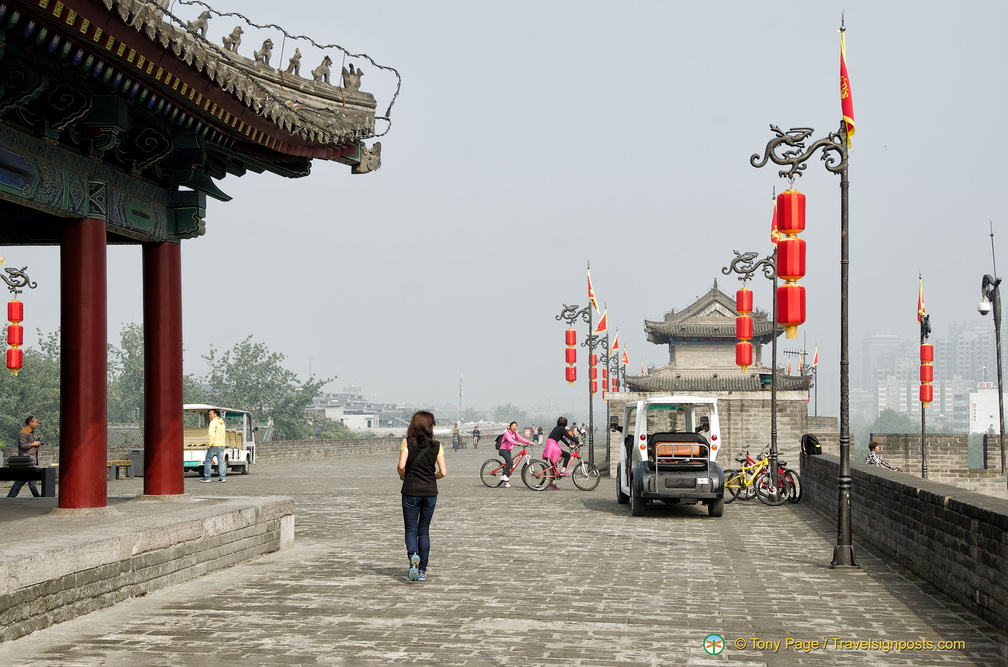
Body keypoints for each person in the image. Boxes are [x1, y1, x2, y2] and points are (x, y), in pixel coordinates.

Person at [397, 410, 447, 582]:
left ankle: (413, 556)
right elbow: (443, 472)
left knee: (411, 529)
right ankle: (422, 571)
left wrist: (403, 475)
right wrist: (431, 478)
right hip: (430, 492)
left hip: (410, 490)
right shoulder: (437, 445)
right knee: (423, 531)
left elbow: (401, 465)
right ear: (429, 426)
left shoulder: (407, 442)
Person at [7, 416, 43, 497]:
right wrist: (34, 444)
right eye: (36, 422)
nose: (37, 424)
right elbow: (22, 445)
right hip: (26, 460)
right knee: (31, 480)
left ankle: (11, 496)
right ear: (30, 423)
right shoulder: (23, 433)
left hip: (31, 459)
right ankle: (37, 497)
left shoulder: (31, 433)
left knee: (21, 480)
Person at [542, 417, 580, 490]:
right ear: (565, 423)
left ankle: (552, 483)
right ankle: (563, 470)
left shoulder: (556, 428)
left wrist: (569, 445)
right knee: (567, 455)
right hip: (553, 446)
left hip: (550, 445)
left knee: (553, 466)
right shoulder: (562, 429)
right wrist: (578, 442)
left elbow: (562, 438)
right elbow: (568, 436)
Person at [497, 421, 531, 488]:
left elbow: (521, 439)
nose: (514, 427)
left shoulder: (515, 434)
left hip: (508, 450)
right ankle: (503, 476)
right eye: (513, 426)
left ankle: (505, 482)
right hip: (503, 450)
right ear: (510, 427)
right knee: (510, 462)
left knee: (509, 466)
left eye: (516, 426)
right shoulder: (507, 433)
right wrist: (517, 443)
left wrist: (529, 442)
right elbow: (510, 440)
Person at [200, 408, 227, 483]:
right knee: (221, 461)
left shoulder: (213, 423)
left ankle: (207, 477)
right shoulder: (221, 423)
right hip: (222, 444)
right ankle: (222, 477)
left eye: (210, 414)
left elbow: (211, 434)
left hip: (215, 445)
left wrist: (210, 444)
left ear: (215, 414)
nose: (209, 416)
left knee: (208, 460)